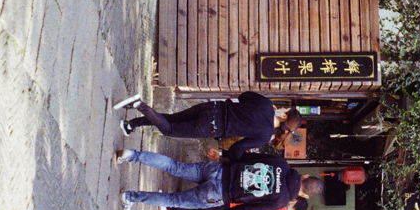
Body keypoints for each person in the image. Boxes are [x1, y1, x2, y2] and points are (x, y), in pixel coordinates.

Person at [117, 146, 323, 210]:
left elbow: (247, 156)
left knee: (174, 166)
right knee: (173, 200)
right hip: (219, 194)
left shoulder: (281, 163)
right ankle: (130, 197)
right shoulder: (281, 201)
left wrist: (224, 155)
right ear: (304, 196)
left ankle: (131, 155)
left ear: (304, 176)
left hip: (219, 170)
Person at [115, 90, 300, 149]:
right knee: (169, 129)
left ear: (284, 116)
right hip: (211, 127)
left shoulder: (266, 104)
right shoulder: (264, 136)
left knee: (171, 119)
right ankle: (140, 105)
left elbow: (244, 96)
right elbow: (239, 147)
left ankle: (132, 124)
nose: (283, 108)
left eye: (286, 109)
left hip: (213, 108)